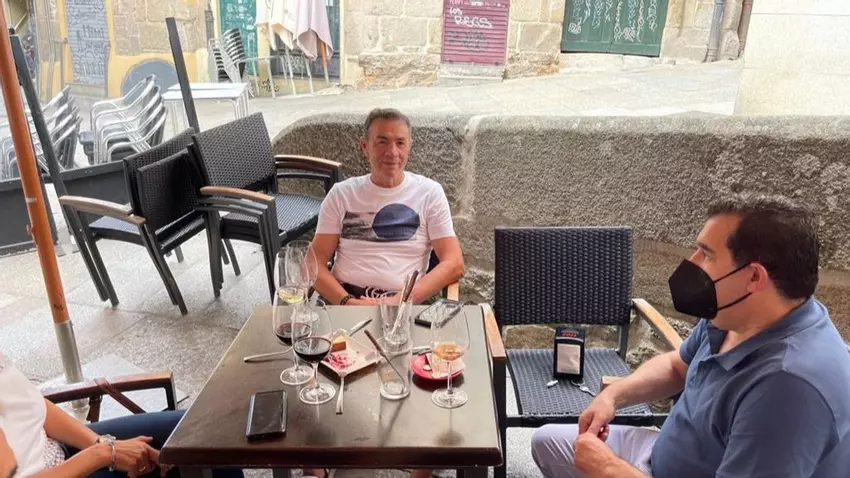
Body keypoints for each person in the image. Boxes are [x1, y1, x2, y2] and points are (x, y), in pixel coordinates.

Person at [531, 194, 850, 477]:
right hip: (660, 453)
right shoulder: (736, 314)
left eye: (706, 254)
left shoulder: (788, 390)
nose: (691, 263)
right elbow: (677, 367)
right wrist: (612, 397)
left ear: (753, 276)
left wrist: (607, 468)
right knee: (546, 441)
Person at [0, 352, 243, 478]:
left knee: (198, 433)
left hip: (59, 449)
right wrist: (103, 454)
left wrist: (102, 443)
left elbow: (33, 406)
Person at [311, 107, 465, 306]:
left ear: (409, 146)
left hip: (405, 303)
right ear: (365, 146)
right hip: (346, 300)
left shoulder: (429, 194)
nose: (392, 152)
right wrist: (348, 302)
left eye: (400, 143)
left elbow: (454, 263)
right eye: (382, 142)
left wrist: (399, 301)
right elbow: (313, 262)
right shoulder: (341, 195)